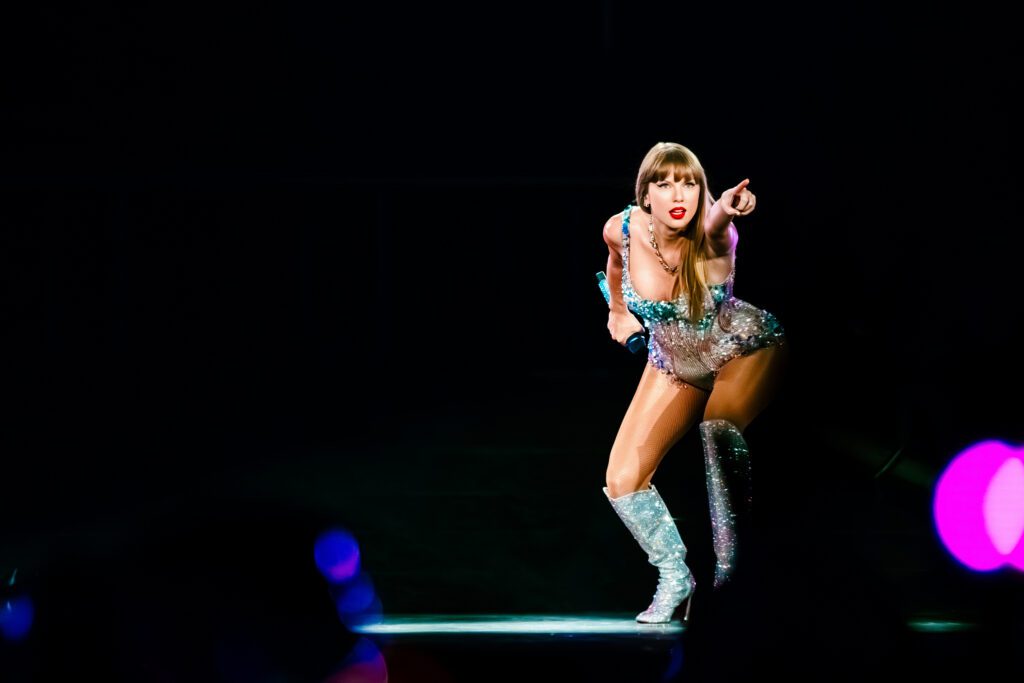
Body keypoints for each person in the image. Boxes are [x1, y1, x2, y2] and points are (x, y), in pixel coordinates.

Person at [600, 141, 789, 624]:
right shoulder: (622, 229)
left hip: (740, 348)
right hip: (672, 362)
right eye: (664, 184)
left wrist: (725, 206)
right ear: (645, 195)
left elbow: (716, 224)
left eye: (689, 184)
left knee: (717, 430)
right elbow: (616, 268)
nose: (677, 194)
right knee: (622, 480)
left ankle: (732, 586)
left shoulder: (714, 234)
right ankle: (674, 576)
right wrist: (618, 312)